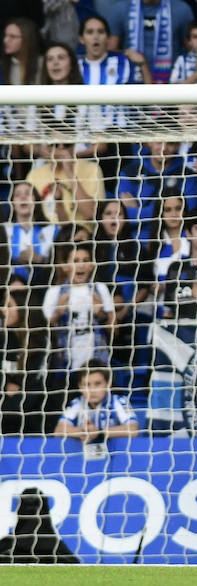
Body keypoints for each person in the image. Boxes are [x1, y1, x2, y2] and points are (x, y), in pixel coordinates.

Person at [42, 243, 116, 373]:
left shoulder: (100, 289)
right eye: (75, 261)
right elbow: (43, 331)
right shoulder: (54, 292)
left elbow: (115, 332)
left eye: (85, 260)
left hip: (97, 362)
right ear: (65, 267)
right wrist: (58, 313)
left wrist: (100, 314)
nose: (81, 265)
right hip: (64, 364)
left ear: (92, 266)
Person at [107, 0, 195, 84]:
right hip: (131, 82)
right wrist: (127, 54)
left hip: (171, 83)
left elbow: (191, 50)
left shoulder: (181, 9)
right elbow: (111, 50)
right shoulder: (121, 8)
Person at [52, 362, 138, 442]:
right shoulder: (77, 403)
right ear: (80, 386)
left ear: (108, 383)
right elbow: (58, 430)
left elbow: (133, 429)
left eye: (97, 384)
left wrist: (99, 433)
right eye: (86, 385)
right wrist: (83, 432)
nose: (92, 390)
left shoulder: (119, 401)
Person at [4, 182, 57, 286]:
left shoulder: (51, 230)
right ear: (13, 204)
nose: (23, 197)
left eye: (28, 194)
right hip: (11, 285)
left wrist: (40, 259)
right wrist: (16, 259)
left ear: (36, 201)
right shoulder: (4, 229)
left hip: (43, 285)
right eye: (17, 195)